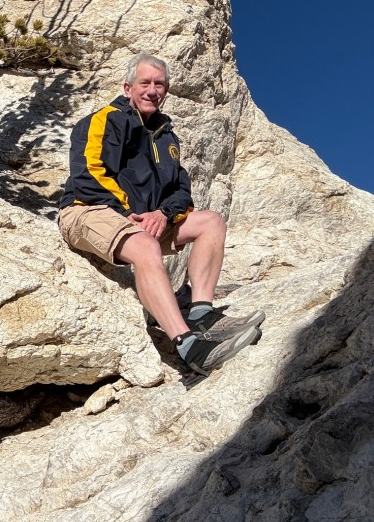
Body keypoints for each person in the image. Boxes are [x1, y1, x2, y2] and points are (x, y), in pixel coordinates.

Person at [57, 53, 264, 374]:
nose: (153, 90)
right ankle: (189, 346)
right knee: (144, 244)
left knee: (210, 222)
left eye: (160, 84)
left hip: (142, 221)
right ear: (128, 88)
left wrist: (164, 215)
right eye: (145, 83)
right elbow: (88, 173)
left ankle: (201, 313)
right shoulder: (107, 119)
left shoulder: (166, 136)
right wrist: (128, 213)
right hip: (87, 210)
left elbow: (181, 191)